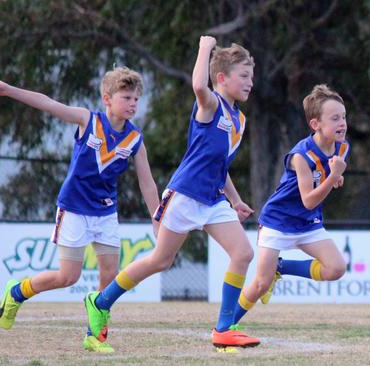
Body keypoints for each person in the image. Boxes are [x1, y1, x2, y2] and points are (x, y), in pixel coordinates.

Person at [82, 35, 259, 353]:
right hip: (186, 195)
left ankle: (224, 329)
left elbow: (220, 164)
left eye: (251, 76)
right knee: (160, 260)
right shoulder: (211, 104)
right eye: (243, 76)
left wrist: (234, 199)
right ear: (221, 78)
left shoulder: (239, 119)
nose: (250, 82)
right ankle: (100, 301)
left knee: (244, 253)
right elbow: (198, 86)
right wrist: (204, 48)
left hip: (213, 198)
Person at [0, 66, 160, 353]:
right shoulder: (88, 120)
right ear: (107, 98)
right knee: (68, 277)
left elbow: (148, 184)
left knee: (109, 276)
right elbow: (48, 103)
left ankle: (95, 336)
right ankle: (16, 292)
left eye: (136, 99)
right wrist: (9, 89)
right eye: (126, 97)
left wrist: (157, 220)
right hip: (74, 209)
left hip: (105, 213)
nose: (133, 104)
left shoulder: (135, 140)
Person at [232, 84, 349, 329]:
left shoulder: (342, 147)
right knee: (260, 284)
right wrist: (333, 175)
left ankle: (281, 267)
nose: (342, 123)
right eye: (335, 118)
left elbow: (327, 178)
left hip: (307, 223)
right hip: (278, 221)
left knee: (336, 268)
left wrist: (335, 176)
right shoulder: (300, 156)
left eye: (344, 117)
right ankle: (225, 326)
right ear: (315, 124)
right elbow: (308, 199)